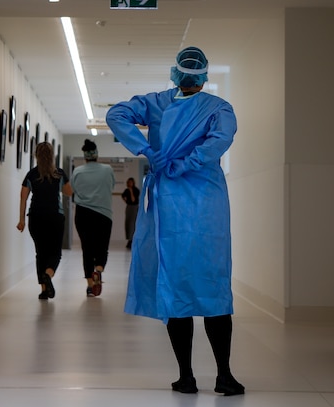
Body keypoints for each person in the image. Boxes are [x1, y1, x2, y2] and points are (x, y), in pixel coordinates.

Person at [105, 46, 245, 396]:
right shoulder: (218, 109)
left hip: (170, 201)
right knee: (212, 282)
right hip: (208, 203)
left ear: (175, 72)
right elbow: (220, 141)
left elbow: (118, 115)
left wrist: (148, 149)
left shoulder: (156, 103)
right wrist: (189, 160)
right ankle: (224, 375)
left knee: (176, 280)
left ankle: (186, 376)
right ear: (203, 75)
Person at [17, 141, 73, 300]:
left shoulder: (31, 174)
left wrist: (21, 220)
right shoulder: (59, 173)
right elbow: (69, 192)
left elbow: (23, 197)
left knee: (40, 253)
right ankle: (48, 275)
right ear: (52, 156)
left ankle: (43, 290)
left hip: (35, 218)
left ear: (36, 156)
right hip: (55, 217)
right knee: (55, 253)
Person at [71, 139, 116, 297]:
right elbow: (112, 186)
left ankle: (90, 286)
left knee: (87, 249)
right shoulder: (108, 169)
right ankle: (99, 269)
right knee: (102, 247)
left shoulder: (77, 171)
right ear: (96, 154)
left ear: (85, 156)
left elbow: (73, 190)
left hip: (83, 214)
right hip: (103, 214)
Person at [121, 177, 140, 249]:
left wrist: (131, 191)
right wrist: (125, 200)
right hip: (129, 207)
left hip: (134, 207)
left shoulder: (136, 190)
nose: (129, 184)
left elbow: (133, 200)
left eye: (130, 182)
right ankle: (129, 239)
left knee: (132, 223)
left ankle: (132, 240)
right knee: (128, 224)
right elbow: (123, 196)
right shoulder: (126, 190)